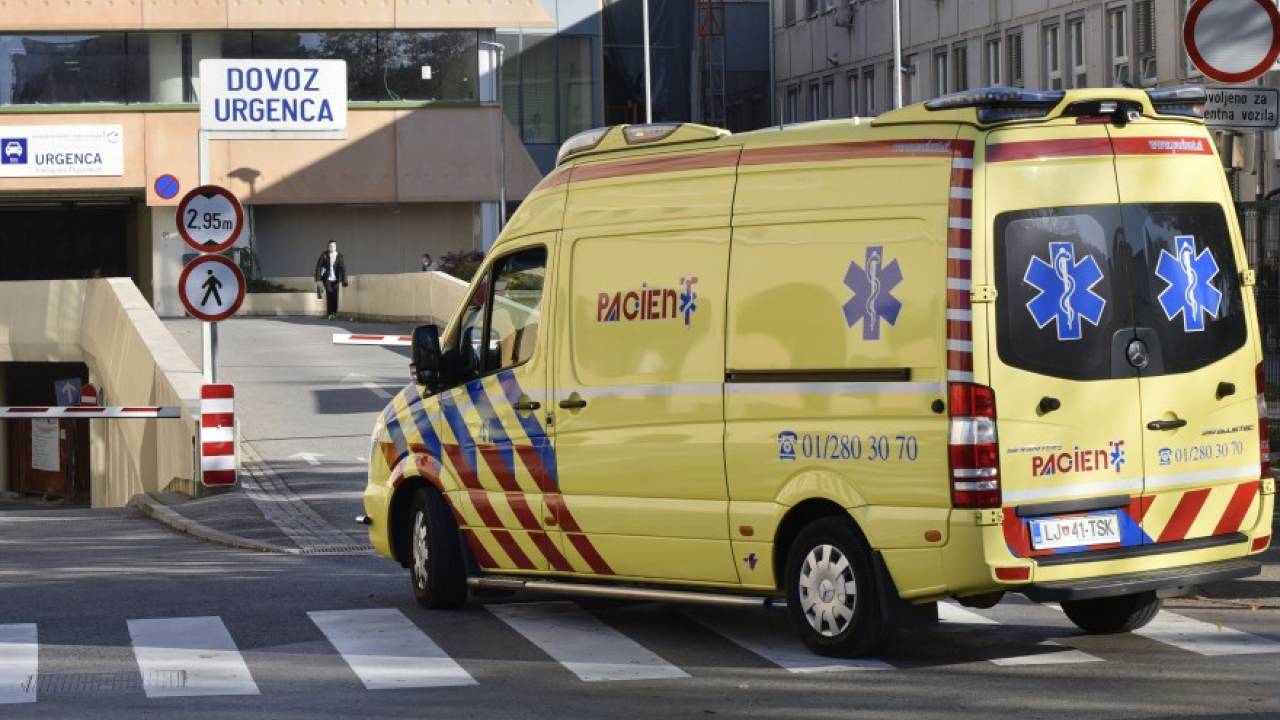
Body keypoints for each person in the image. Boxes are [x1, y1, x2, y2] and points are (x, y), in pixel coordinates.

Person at [314, 240, 348, 320]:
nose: (331, 247)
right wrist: (318, 279)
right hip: (327, 279)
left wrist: (344, 280)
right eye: (330, 246)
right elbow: (318, 266)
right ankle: (329, 313)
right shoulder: (324, 255)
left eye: (333, 246)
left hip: (336, 279)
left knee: (335, 295)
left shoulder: (339, 256)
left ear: (335, 247)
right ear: (328, 247)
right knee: (329, 294)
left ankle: (334, 313)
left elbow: (343, 269)